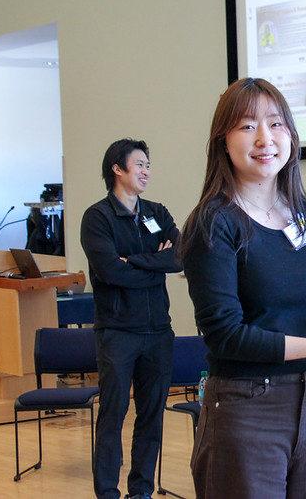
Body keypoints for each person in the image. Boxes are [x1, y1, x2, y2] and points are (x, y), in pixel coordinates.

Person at [179, 77, 306, 499]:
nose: (264, 139)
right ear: (223, 140)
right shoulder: (214, 223)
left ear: (291, 135)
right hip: (244, 405)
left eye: (275, 123)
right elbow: (225, 335)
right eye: (247, 126)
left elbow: (296, 314)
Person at [80, 138, 182, 499]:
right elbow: (110, 271)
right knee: (113, 414)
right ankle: (107, 492)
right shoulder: (98, 217)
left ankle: (141, 491)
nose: (146, 172)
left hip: (158, 332)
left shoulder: (157, 212)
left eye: (148, 165)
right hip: (118, 332)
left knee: (151, 416)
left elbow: (180, 257)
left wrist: (135, 262)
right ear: (117, 169)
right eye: (139, 164)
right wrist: (156, 266)